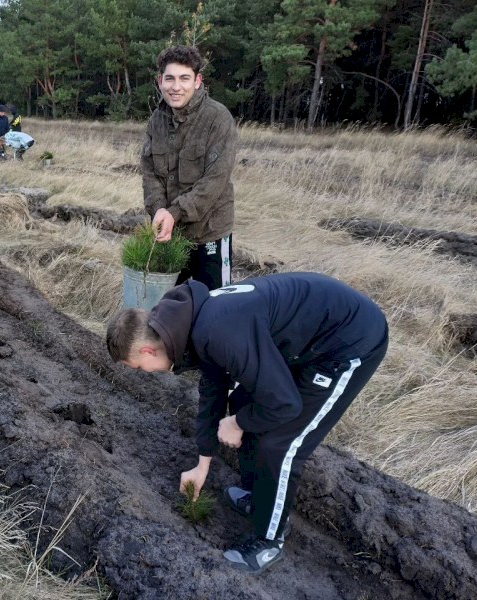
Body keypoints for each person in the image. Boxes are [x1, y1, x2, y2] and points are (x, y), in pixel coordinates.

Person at [106, 272, 389, 575]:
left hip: (348, 342)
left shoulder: (216, 332)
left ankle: (269, 541)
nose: (146, 372)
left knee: (280, 445)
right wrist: (202, 463)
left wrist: (239, 423)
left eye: (139, 367)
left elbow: (285, 403)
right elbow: (212, 391)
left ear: (147, 350)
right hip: (309, 341)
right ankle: (260, 498)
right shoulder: (189, 323)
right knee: (243, 401)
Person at [141, 45, 238, 292]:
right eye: (170, 78)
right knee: (167, 307)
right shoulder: (156, 121)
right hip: (170, 233)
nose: (176, 87)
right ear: (159, 81)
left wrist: (174, 213)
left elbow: (215, 180)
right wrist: (159, 210)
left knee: (217, 307)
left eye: (184, 78)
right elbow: (150, 171)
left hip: (210, 232)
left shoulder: (218, 118)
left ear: (197, 81)